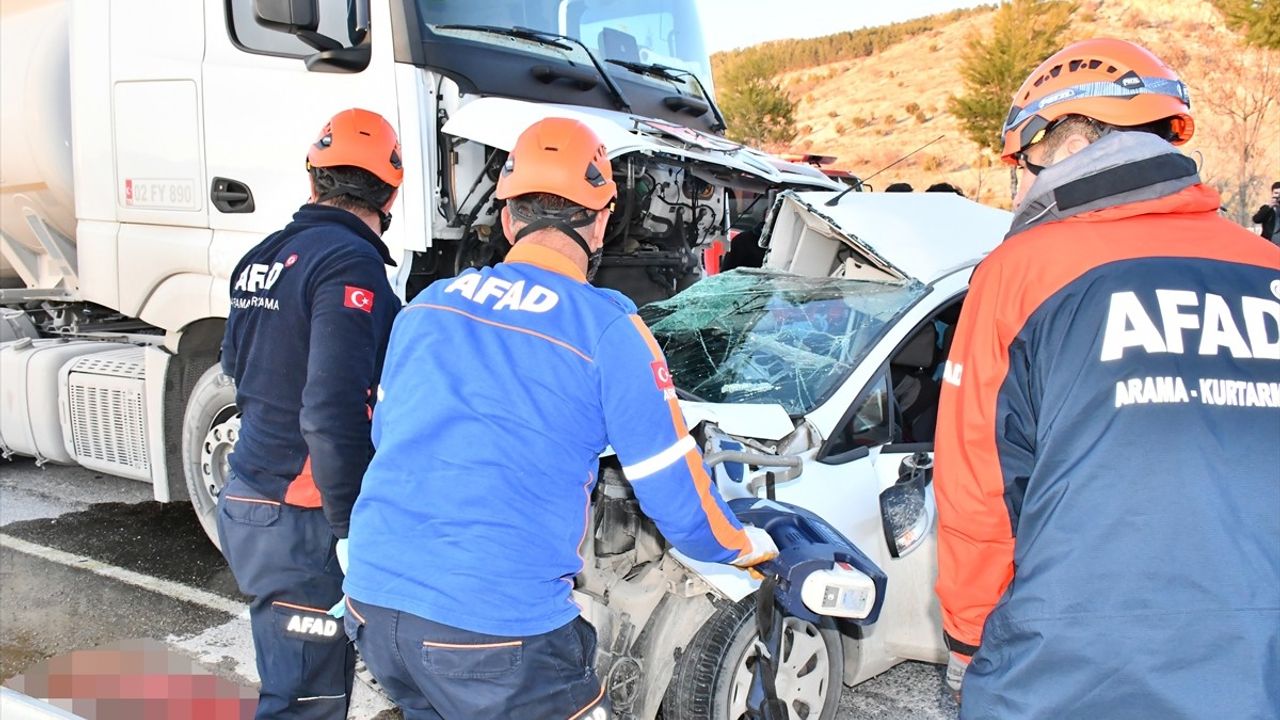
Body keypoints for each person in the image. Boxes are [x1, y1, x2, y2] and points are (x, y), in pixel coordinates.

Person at [341, 117, 778, 719]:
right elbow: (676, 497)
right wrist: (745, 546)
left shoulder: (425, 308)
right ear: (600, 223)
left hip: (373, 602)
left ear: (506, 218)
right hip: (495, 631)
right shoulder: (608, 330)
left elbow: (387, 439)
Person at [934, 38, 1280, 719]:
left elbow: (977, 488)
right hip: (1256, 661)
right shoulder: (1267, 269)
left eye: (1023, 163)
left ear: (1069, 142)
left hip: (1068, 666)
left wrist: (968, 639)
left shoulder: (1021, 271)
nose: (1021, 186)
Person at [218, 108, 403, 719]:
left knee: (298, 691)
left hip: (251, 500)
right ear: (390, 191)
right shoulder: (351, 265)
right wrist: (351, 527)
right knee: (306, 704)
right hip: (303, 521)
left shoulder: (261, 257)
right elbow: (329, 409)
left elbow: (239, 370)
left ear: (313, 178)